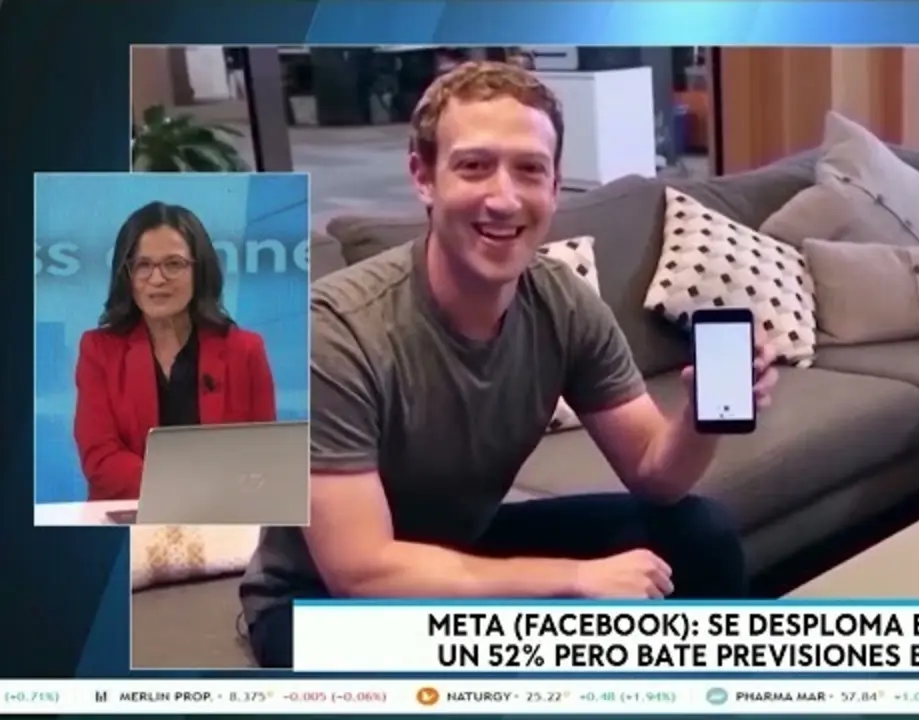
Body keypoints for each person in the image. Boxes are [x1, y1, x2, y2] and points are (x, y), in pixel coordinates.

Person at [238, 61, 778, 669]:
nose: (503, 198)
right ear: (423, 177)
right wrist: (575, 579)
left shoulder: (562, 303)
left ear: (555, 186)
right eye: (474, 166)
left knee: (698, 533)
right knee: (516, 653)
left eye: (529, 169)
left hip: (458, 546)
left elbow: (658, 477)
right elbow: (363, 572)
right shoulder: (335, 333)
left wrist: (702, 418)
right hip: (317, 602)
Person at [73, 201, 277, 501]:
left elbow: (264, 455)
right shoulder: (99, 350)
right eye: (143, 265)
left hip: (224, 513)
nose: (157, 279)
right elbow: (100, 457)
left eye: (173, 264)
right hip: (131, 512)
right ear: (126, 275)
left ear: (199, 270)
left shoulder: (244, 349)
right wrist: (183, 491)